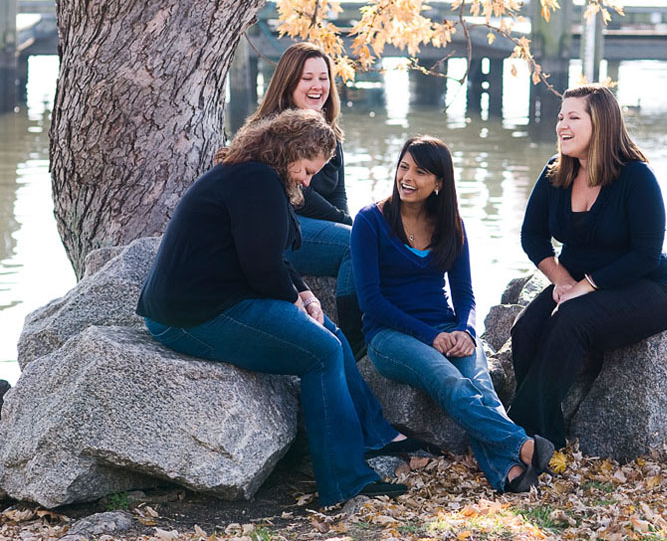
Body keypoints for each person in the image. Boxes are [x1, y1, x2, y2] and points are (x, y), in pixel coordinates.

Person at [136, 109, 410, 507]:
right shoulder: (256, 180)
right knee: (322, 351)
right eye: (307, 170)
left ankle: (369, 438)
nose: (308, 180)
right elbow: (261, 268)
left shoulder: (256, 174)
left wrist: (306, 296)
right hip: (191, 315)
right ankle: (344, 481)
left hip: (212, 300)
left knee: (330, 334)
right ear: (292, 151)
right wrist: (291, 305)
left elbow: (271, 255)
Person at [351, 136, 555, 493]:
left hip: (445, 325)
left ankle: (508, 476)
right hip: (389, 336)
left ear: (439, 183)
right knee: (450, 382)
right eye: (403, 167)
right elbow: (371, 301)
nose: (407, 177)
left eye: (420, 171)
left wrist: (465, 330)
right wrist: (431, 337)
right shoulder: (370, 221)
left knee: (481, 389)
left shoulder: (451, 224)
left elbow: (465, 294)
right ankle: (523, 445)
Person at [507, 84, 667, 450]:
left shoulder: (636, 177)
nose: (561, 125)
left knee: (571, 320)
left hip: (647, 287)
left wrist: (583, 287)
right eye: (560, 117)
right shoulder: (556, 173)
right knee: (525, 329)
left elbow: (646, 254)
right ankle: (547, 436)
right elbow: (532, 235)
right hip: (575, 281)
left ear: (600, 123)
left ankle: (516, 437)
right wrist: (561, 280)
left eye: (573, 116)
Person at [244, 42, 366, 358]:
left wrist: (347, 219)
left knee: (365, 238)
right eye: (307, 78)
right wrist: (347, 226)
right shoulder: (274, 132)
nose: (318, 86)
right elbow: (299, 196)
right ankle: (356, 340)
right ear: (288, 83)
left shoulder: (328, 134)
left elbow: (338, 190)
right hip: (282, 231)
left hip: (315, 227)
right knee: (358, 243)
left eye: (323, 78)